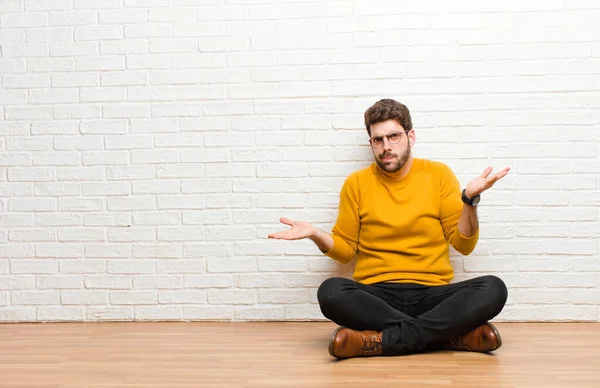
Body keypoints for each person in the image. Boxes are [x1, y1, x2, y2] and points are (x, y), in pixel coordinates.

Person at [268, 99, 510, 359]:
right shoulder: (357, 183)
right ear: (371, 143)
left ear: (410, 136)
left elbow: (464, 245)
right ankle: (447, 336)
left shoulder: (438, 175)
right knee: (330, 292)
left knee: (494, 288)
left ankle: (378, 341)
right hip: (377, 295)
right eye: (378, 140)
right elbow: (346, 251)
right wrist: (316, 234)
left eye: (394, 136)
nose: (386, 147)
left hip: (432, 293)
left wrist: (469, 202)